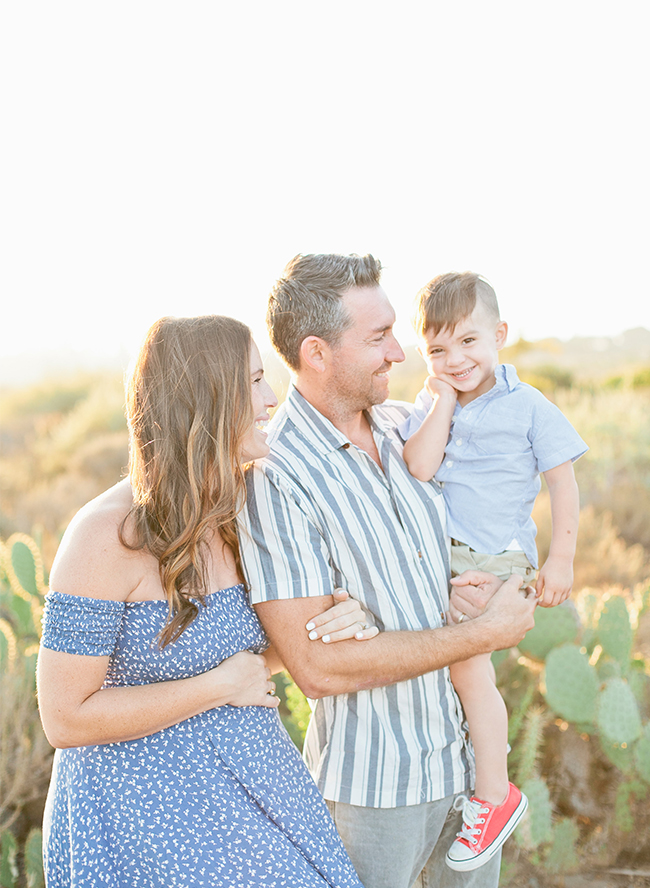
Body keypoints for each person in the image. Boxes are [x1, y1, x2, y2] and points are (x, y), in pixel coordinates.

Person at [37, 314, 378, 888]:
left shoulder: (244, 507)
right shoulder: (103, 535)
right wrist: (215, 689)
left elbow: (243, 654)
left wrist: (330, 622)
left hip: (253, 781)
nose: (271, 400)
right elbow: (64, 717)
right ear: (206, 401)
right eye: (253, 382)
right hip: (143, 813)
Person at [239, 253, 538, 888]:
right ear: (317, 352)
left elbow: (490, 517)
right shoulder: (275, 476)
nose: (400, 353)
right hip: (375, 790)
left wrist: (488, 584)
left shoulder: (412, 427)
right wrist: (483, 635)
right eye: (378, 337)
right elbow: (317, 667)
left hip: (468, 778)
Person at [400, 271, 588, 870]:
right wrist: (445, 401)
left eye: (469, 342)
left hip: (498, 558)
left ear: (500, 334)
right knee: (450, 666)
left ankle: (494, 794)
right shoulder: (436, 403)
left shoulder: (527, 404)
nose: (455, 359)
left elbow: (563, 481)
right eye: (438, 349)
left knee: (466, 664)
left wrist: (560, 558)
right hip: (446, 556)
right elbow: (421, 468)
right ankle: (477, 781)